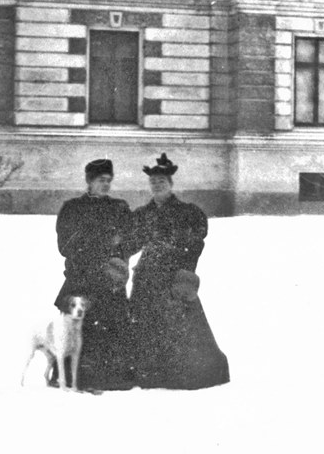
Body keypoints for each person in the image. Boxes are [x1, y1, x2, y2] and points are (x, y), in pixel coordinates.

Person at [130, 153, 230, 389]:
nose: (157, 186)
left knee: (181, 325)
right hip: (146, 276)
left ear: (171, 185)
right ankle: (150, 372)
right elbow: (130, 241)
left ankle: (183, 373)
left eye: (162, 183)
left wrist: (185, 273)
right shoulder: (144, 214)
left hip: (173, 277)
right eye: (153, 183)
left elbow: (195, 243)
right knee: (146, 323)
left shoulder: (187, 212)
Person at [53, 158, 136, 390]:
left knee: (112, 327)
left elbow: (129, 240)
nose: (106, 184)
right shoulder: (72, 209)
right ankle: (76, 377)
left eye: (109, 180)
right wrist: (98, 249)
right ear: (89, 181)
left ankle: (111, 377)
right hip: (82, 279)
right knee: (80, 329)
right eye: (101, 180)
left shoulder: (119, 207)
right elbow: (65, 245)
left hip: (110, 280)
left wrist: (117, 257)